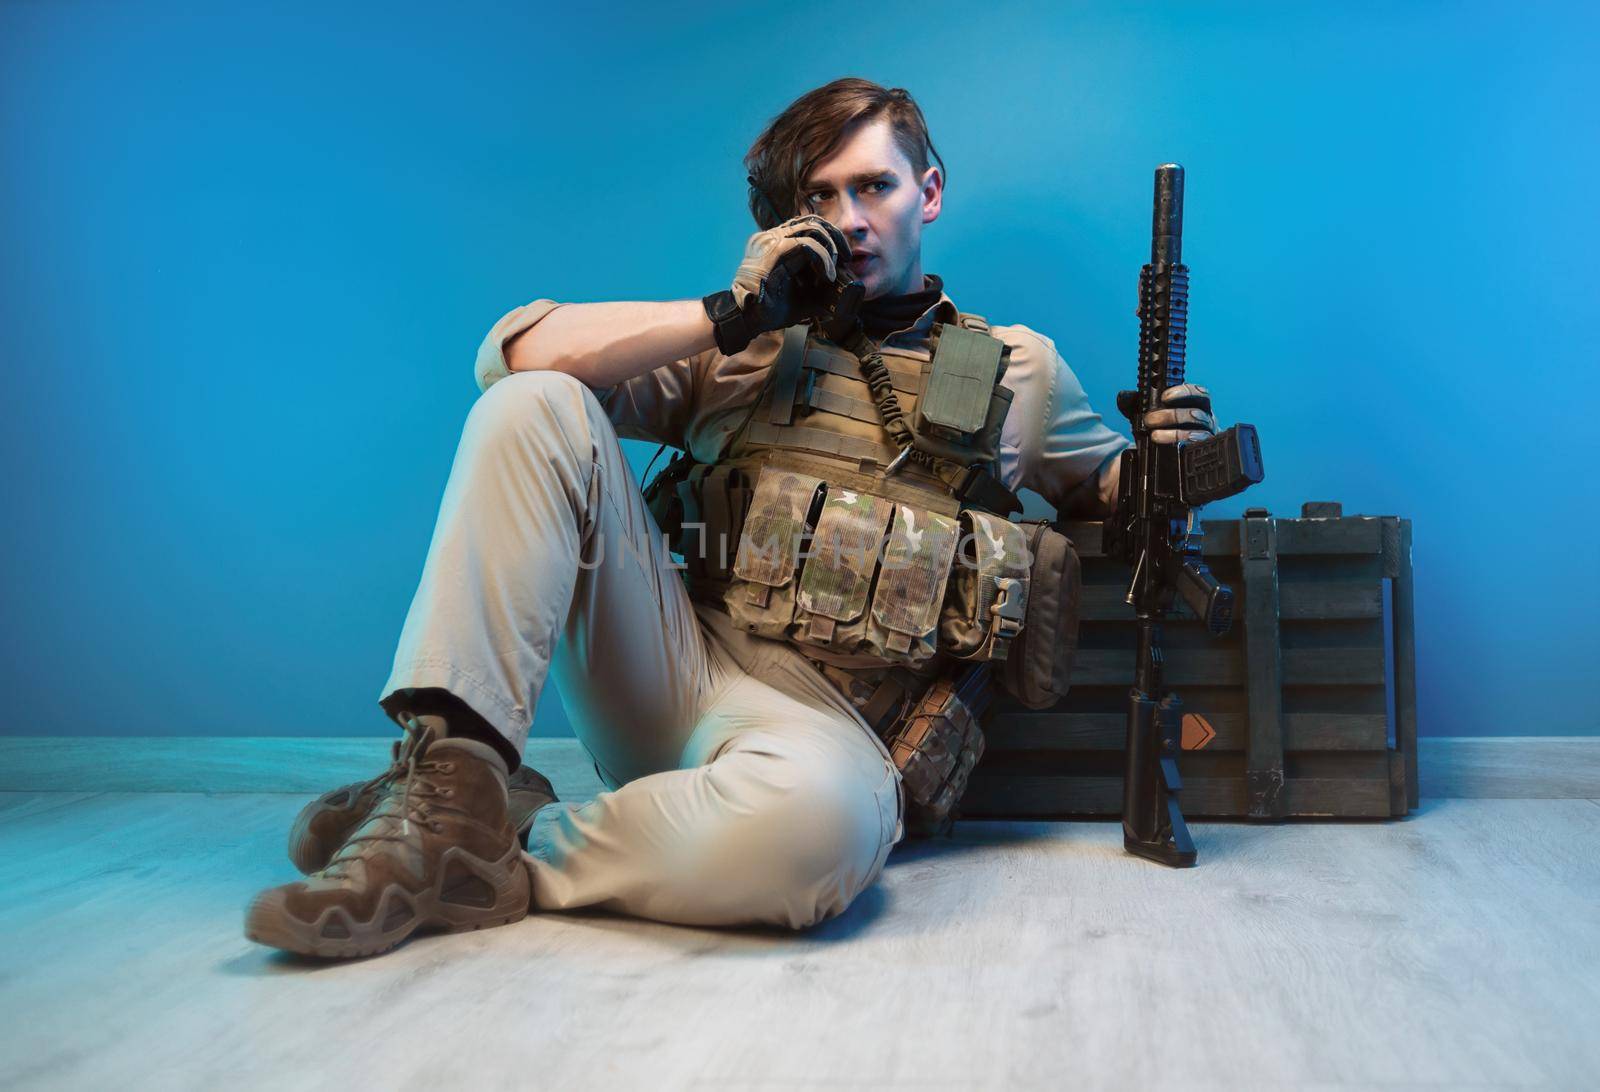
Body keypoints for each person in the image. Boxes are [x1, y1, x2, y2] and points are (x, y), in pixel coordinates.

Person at [244, 78, 1217, 959]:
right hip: (668, 669)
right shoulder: (745, 347)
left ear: (927, 193)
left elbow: (1108, 492)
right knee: (534, 404)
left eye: (873, 187)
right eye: (819, 198)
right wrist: (730, 313)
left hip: (826, 735)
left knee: (817, 835)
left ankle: (484, 845)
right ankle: (451, 778)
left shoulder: (1017, 369)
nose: (850, 219)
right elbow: (510, 358)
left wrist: (1165, 458)